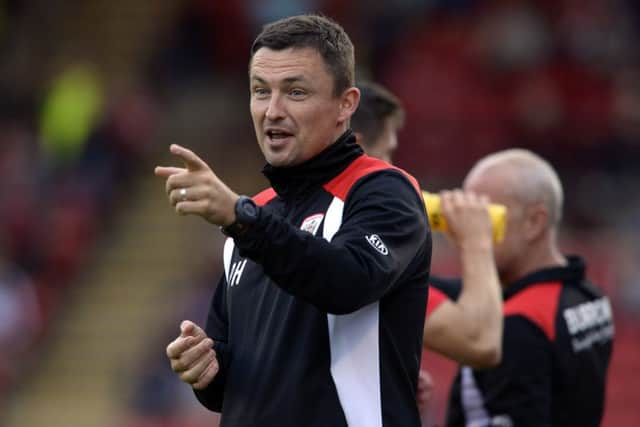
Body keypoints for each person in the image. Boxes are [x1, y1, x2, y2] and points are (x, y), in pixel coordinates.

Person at [154, 15, 431, 427]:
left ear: (346, 105)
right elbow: (237, 379)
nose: (273, 111)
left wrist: (241, 218)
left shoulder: (384, 192)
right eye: (260, 92)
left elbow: (347, 282)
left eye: (295, 92)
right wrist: (205, 369)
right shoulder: (251, 218)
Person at [440, 149, 614, 427]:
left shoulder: (518, 325)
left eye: (484, 218)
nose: (469, 230)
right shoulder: (588, 295)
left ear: (535, 222)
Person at [352, 81, 503, 369]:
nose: (393, 170)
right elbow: (481, 342)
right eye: (386, 154)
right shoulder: (364, 250)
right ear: (357, 149)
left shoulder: (284, 217)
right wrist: (476, 242)